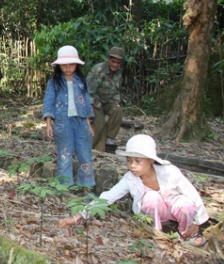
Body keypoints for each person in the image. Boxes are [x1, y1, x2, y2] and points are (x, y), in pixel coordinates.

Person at [59, 134, 209, 247]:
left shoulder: (170, 172)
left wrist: (198, 221)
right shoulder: (130, 178)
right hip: (155, 211)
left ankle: (187, 234)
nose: (132, 166)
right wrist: (78, 216)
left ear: (151, 160)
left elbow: (191, 193)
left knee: (185, 203)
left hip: (175, 207)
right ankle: (157, 234)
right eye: (129, 160)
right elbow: (108, 197)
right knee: (151, 199)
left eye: (138, 161)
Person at [42, 45, 95, 188]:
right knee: (65, 155)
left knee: (85, 155)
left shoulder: (82, 81)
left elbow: (87, 103)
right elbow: (49, 102)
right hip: (62, 122)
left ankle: (86, 186)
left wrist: (89, 124)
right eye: (64, 65)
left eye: (71, 64)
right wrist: (48, 124)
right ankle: (64, 187)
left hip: (81, 122)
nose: (68, 68)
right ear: (59, 66)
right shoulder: (54, 81)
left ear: (76, 65)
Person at [87, 47, 124, 151]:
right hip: (95, 101)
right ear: (108, 59)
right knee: (100, 123)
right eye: (113, 61)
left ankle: (109, 139)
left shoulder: (118, 73)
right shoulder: (98, 70)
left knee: (117, 111)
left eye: (118, 63)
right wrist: (89, 107)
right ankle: (93, 149)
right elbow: (88, 91)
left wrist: (117, 102)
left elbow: (116, 90)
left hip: (107, 101)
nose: (115, 65)